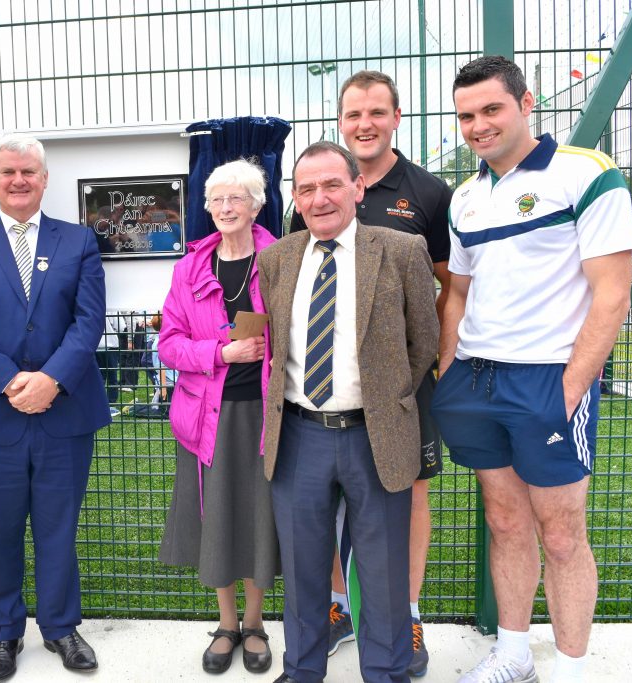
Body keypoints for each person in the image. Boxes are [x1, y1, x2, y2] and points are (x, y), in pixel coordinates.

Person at [431, 56, 632, 683]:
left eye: (491, 109)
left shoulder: (584, 173)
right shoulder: (465, 196)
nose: (478, 125)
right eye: (466, 115)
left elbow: (613, 294)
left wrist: (571, 388)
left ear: (527, 102)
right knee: (504, 519)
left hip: (549, 377)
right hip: (477, 377)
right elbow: (458, 294)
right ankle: (514, 653)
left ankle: (572, 668)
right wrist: (446, 375)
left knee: (563, 531)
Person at [259, 141, 438, 683]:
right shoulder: (278, 259)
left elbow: (423, 342)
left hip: (374, 433)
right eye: (307, 188)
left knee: (383, 574)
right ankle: (302, 669)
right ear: (295, 197)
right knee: (303, 569)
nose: (320, 198)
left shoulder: (402, 251)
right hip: (297, 436)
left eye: (332, 184)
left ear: (358, 187)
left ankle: (386, 673)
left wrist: (383, 398)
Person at [0, 133, 110, 681]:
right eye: (8, 172)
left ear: (44, 179)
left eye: (28, 173)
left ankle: (61, 628)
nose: (18, 181)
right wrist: (14, 381)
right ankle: (3, 634)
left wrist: (52, 381)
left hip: (64, 414)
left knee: (59, 528)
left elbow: (89, 323)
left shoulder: (78, 240)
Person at [322, 69, 452, 675]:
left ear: (396, 117)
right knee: (322, 490)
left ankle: (406, 613)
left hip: (402, 380)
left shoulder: (427, 192)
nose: (364, 124)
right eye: (353, 115)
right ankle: (338, 607)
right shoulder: (322, 189)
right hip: (326, 379)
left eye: (376, 112)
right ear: (341, 121)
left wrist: (438, 357)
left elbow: (453, 286)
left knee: (410, 491)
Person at [157, 158, 280, 675]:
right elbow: (168, 345)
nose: (226, 208)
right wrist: (219, 354)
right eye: (217, 200)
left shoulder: (281, 259)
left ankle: (254, 624)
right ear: (206, 208)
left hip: (267, 414)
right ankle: (226, 624)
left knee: (257, 517)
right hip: (207, 417)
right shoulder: (189, 268)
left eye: (237, 198)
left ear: (257, 205)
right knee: (218, 521)